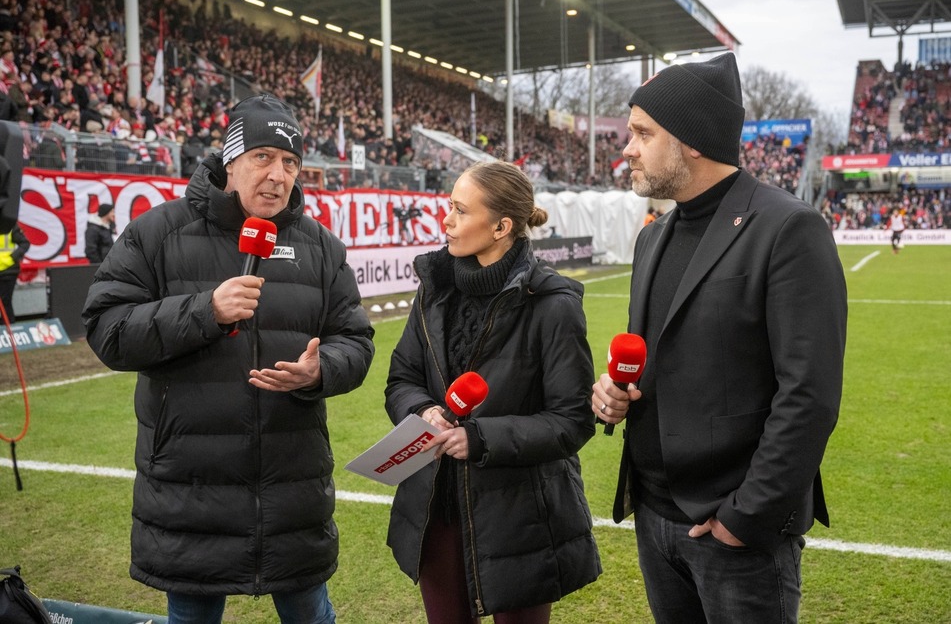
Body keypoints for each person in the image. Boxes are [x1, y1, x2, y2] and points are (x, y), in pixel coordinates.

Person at [82, 94, 375, 624]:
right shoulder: (158, 233)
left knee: (311, 614)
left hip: (293, 491)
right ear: (229, 162)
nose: (278, 175)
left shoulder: (321, 247)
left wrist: (322, 369)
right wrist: (204, 311)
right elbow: (107, 329)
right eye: (263, 157)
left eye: (290, 163)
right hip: (190, 492)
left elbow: (355, 340)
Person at [591, 53, 847, 624]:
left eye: (642, 133)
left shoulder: (786, 228)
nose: (626, 148)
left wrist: (745, 518)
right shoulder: (652, 239)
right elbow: (664, 357)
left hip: (733, 529)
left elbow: (809, 394)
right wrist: (613, 391)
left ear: (694, 140)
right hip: (654, 515)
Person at [385, 161, 601, 623]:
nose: (446, 221)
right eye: (449, 208)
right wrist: (423, 411)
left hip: (519, 517)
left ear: (502, 226)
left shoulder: (553, 305)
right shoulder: (433, 289)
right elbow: (401, 379)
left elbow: (572, 420)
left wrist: (481, 438)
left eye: (460, 211)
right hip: (435, 506)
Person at [0, 224, 30, 323]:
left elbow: (25, 243)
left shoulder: (10, 226)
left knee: (5, 301)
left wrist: (14, 257)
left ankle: (8, 326)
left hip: (8, 270)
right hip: (7, 268)